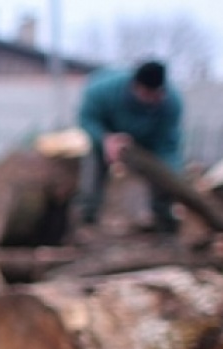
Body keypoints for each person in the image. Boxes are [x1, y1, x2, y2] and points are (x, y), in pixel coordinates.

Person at [77, 59, 184, 232]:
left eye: (155, 95)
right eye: (146, 94)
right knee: (92, 173)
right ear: (135, 86)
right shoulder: (104, 89)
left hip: (150, 142)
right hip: (108, 134)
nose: (150, 99)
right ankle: (87, 219)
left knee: (163, 176)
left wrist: (174, 176)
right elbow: (86, 119)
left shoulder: (172, 102)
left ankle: (165, 221)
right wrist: (104, 139)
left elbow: (169, 144)